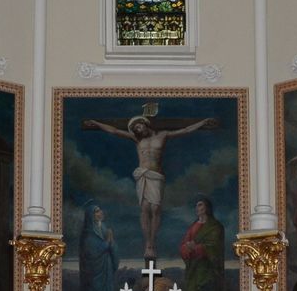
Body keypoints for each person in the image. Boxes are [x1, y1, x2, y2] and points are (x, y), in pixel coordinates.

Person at [79, 108, 220, 260]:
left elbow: (185, 130)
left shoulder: (163, 135)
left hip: (156, 176)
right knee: (145, 208)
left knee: (155, 208)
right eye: (135, 129)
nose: (137, 130)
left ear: (145, 124)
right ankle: (148, 244)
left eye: (139, 127)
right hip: (143, 175)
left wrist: (202, 123)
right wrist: (97, 124)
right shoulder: (137, 139)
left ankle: (153, 242)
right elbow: (114, 130)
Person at [178, 197, 226, 291]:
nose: (197, 208)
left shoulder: (215, 227)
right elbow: (184, 243)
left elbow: (214, 246)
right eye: (196, 206)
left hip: (208, 268)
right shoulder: (194, 226)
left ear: (206, 207)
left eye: (200, 205)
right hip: (194, 268)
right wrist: (186, 248)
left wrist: (197, 248)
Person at [76, 201, 121, 291]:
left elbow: (112, 246)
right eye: (96, 211)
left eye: (100, 210)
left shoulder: (103, 228)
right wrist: (108, 242)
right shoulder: (88, 234)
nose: (100, 213)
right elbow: (92, 251)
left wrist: (111, 243)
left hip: (106, 270)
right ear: (91, 216)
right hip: (95, 272)